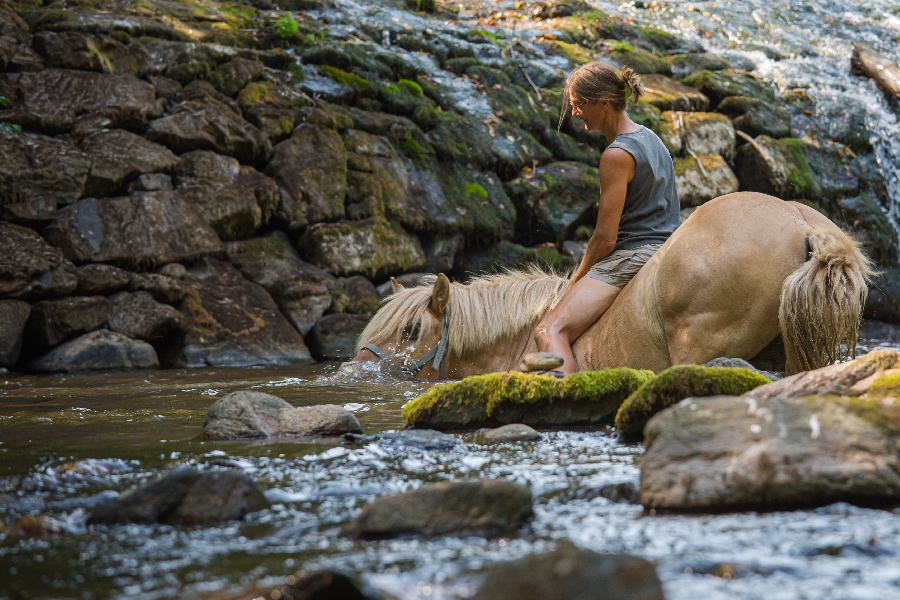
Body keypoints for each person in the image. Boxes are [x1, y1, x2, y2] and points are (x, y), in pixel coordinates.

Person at [532, 61, 681, 375]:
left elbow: (605, 238)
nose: (574, 113)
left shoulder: (616, 155)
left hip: (633, 255)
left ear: (603, 103)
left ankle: (562, 403)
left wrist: (576, 280)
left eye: (578, 105)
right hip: (667, 247)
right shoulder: (652, 139)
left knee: (549, 330)